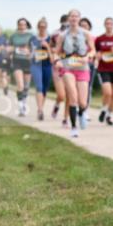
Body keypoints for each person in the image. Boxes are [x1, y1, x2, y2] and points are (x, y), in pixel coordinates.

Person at [54, 10, 95, 138]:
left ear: (79, 18)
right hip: (67, 68)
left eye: (76, 16)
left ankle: (81, 113)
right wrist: (57, 61)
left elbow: (93, 50)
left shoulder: (87, 34)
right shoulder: (62, 35)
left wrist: (88, 56)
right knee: (73, 97)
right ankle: (73, 128)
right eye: (71, 16)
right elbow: (56, 52)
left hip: (82, 68)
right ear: (68, 18)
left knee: (83, 103)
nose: (73, 18)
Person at [30, 18, 54, 121]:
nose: (42, 28)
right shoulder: (32, 39)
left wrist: (47, 47)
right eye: (40, 26)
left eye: (44, 26)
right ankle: (40, 110)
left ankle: (40, 108)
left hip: (47, 65)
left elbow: (53, 59)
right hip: (35, 65)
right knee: (39, 86)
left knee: (44, 88)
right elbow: (29, 54)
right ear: (38, 27)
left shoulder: (51, 39)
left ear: (46, 27)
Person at [10, 18, 34, 116]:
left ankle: (24, 102)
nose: (22, 26)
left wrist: (30, 52)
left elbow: (35, 48)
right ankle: (20, 107)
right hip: (17, 61)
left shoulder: (31, 36)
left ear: (26, 25)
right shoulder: (13, 36)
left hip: (28, 62)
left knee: (26, 86)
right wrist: (12, 50)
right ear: (18, 25)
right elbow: (9, 47)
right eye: (20, 24)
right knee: (20, 85)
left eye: (23, 24)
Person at [51, 14, 69, 124]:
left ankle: (66, 118)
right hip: (57, 65)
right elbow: (50, 47)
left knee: (70, 93)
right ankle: (57, 105)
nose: (66, 24)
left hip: (71, 65)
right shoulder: (55, 34)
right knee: (62, 95)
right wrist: (53, 54)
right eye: (65, 22)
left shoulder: (76, 34)